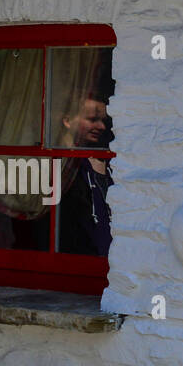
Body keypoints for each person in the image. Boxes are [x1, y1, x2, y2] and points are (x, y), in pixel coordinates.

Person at [57, 92, 114, 257]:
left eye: (103, 121)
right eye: (92, 119)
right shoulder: (62, 163)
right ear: (67, 121)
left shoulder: (101, 160)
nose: (101, 126)